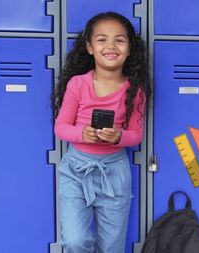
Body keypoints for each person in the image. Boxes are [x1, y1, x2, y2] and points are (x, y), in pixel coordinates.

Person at [51, 12, 152, 253]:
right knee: (76, 241)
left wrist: (119, 136)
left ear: (129, 49)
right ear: (89, 47)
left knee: (112, 247)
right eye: (101, 39)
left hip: (114, 171)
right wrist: (81, 134)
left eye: (119, 40)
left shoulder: (135, 89)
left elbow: (136, 135)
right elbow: (61, 127)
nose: (110, 46)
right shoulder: (78, 84)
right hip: (76, 170)